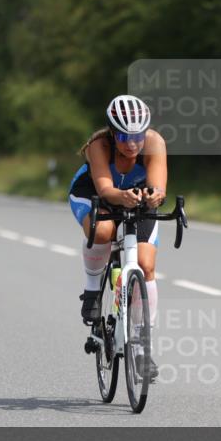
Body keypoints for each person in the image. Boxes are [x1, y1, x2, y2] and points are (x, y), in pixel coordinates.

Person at [68, 95, 167, 374]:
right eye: (124, 136)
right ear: (112, 132)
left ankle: (142, 346)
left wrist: (154, 196)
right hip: (97, 194)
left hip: (136, 199)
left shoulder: (155, 143)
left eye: (137, 135)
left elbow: (159, 187)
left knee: (146, 266)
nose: (132, 143)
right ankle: (91, 289)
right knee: (104, 231)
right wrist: (121, 197)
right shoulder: (98, 146)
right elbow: (105, 190)